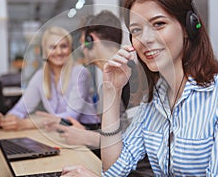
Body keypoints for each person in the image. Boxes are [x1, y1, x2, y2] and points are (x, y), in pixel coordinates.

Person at [61, 0, 218, 177]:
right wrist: (112, 91)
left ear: (188, 27)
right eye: (136, 30)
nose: (146, 39)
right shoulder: (153, 101)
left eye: (159, 24)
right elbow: (114, 170)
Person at [55, 10, 153, 176]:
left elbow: (135, 143)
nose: (82, 51)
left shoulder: (133, 76)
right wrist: (86, 131)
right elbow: (117, 131)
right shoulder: (109, 82)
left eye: (82, 43)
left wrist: (87, 137)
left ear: (90, 40)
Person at [0, 26, 99, 131]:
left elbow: (70, 116)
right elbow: (20, 109)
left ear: (70, 49)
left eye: (63, 46)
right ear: (44, 51)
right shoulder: (40, 76)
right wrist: (5, 119)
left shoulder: (80, 73)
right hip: (60, 132)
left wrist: (27, 124)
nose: (59, 52)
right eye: (53, 47)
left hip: (87, 132)